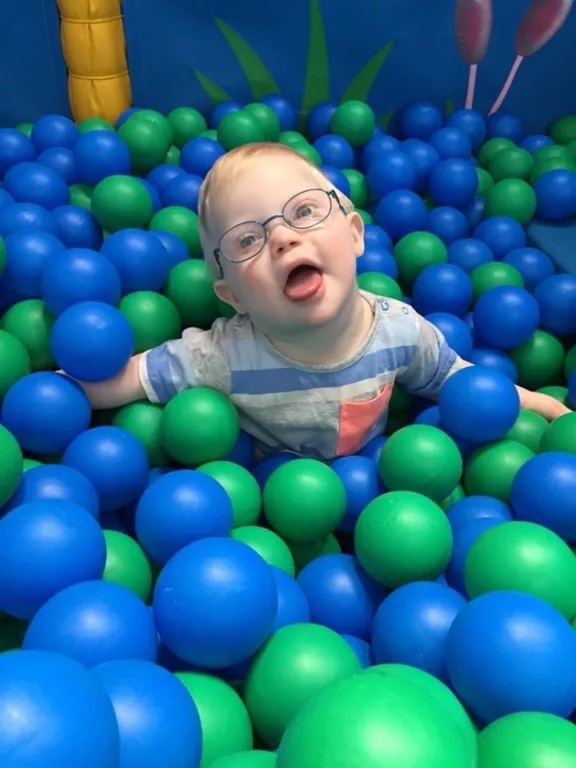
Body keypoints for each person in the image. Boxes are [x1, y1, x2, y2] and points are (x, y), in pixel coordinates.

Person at [75, 142, 570, 460]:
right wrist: (63, 390)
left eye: (304, 211)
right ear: (233, 297)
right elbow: (136, 376)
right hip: (266, 491)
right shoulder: (223, 357)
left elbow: (458, 383)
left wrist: (540, 405)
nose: (283, 239)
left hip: (383, 481)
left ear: (355, 234)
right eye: (247, 240)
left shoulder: (400, 331)